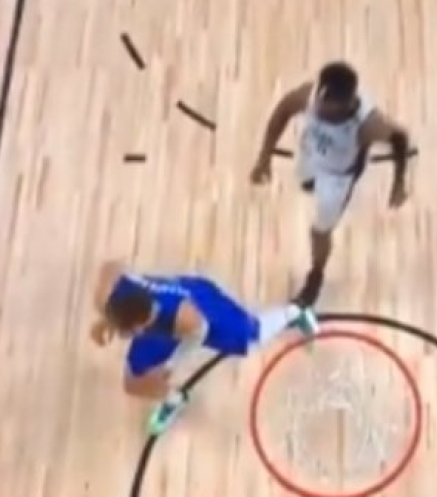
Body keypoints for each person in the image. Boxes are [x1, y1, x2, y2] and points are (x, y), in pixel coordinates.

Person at [89, 261, 320, 435]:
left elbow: (197, 336)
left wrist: (170, 365)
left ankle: (294, 313)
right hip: (162, 324)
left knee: (252, 336)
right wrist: (106, 321)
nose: (129, 335)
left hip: (201, 305)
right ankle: (174, 400)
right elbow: (111, 267)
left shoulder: (186, 317)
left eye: (132, 331)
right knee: (133, 383)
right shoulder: (109, 293)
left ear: (142, 322)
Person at [250, 61, 411, 307]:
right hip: (311, 154)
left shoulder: (368, 124)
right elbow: (281, 112)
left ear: (346, 103)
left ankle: (315, 275)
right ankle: (312, 183)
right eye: (320, 101)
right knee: (305, 182)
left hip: (337, 177)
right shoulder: (308, 95)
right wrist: (264, 158)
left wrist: (399, 183)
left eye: (328, 106)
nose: (321, 108)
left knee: (320, 230)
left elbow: (400, 138)